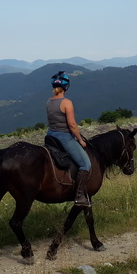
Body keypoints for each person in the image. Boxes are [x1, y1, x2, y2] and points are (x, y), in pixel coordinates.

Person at [46, 71, 92, 207]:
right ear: (67, 87)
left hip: (50, 135)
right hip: (64, 137)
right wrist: (81, 140)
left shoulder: (49, 101)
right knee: (86, 164)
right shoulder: (66, 103)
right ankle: (79, 197)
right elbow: (72, 125)